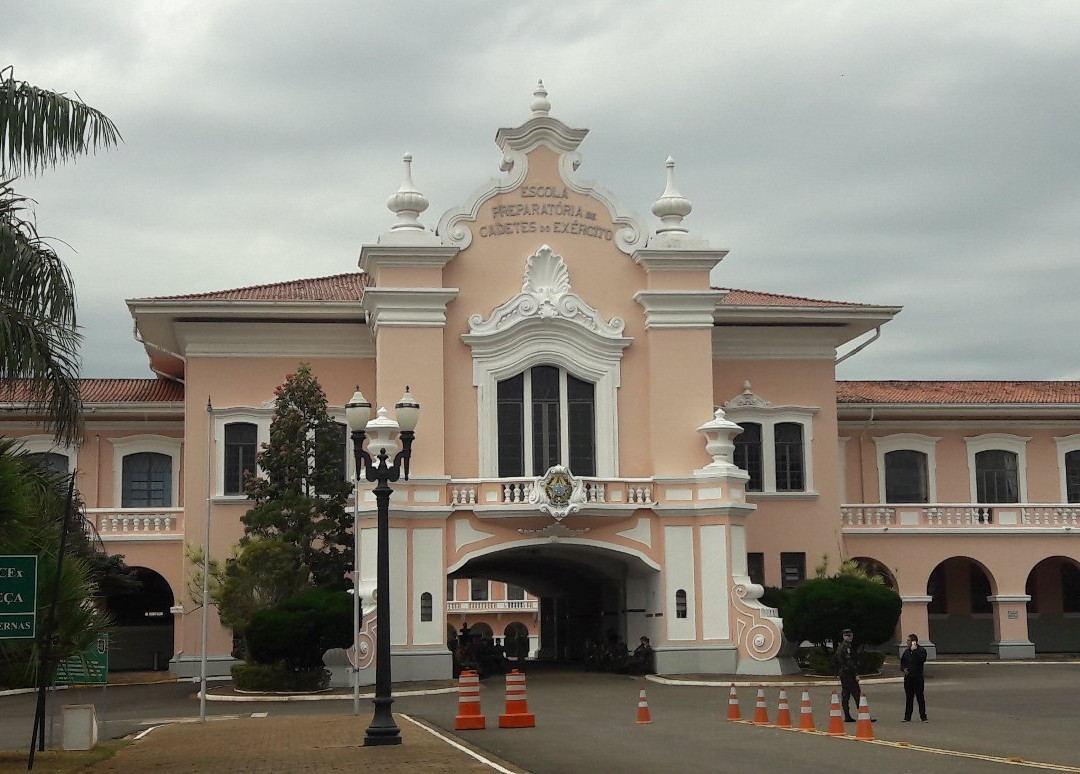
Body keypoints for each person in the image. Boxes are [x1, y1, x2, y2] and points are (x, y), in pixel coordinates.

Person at [836, 628, 868, 722]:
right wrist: (855, 674)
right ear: (844, 636)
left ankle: (847, 715)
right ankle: (863, 714)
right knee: (857, 693)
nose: (850, 637)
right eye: (847, 636)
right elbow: (849, 662)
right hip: (848, 674)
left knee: (845, 694)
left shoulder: (841, 646)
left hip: (843, 673)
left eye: (851, 635)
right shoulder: (846, 647)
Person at [900, 633, 928, 722]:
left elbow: (922, 660)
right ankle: (907, 717)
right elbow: (902, 662)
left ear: (913, 642)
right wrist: (903, 669)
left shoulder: (921, 650)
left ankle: (923, 716)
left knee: (920, 697)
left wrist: (915, 651)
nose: (907, 642)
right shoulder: (906, 652)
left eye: (908, 640)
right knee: (909, 698)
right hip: (908, 678)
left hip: (918, 678)